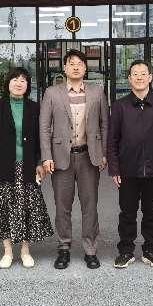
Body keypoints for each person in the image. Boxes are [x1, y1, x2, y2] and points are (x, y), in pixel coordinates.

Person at [39, 49, 109, 270]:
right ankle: (63, 248)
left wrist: (103, 152)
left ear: (86, 67)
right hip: (61, 157)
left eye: (80, 63)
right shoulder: (52, 93)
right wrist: (46, 156)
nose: (76, 67)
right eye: (72, 63)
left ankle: (90, 249)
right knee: (62, 206)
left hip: (89, 156)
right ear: (65, 67)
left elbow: (105, 125)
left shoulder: (97, 92)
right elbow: (44, 127)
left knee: (90, 206)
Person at [106, 60, 153, 270]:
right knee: (127, 212)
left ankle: (151, 250)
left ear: (150, 77)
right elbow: (112, 140)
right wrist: (114, 168)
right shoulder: (119, 106)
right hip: (128, 169)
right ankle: (125, 251)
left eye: (143, 73)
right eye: (135, 73)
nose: (139, 77)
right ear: (129, 79)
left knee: (152, 212)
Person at [0, 68, 54, 268]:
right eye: (15, 79)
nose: (18, 83)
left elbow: (40, 138)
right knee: (4, 207)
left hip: (28, 165)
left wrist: (39, 162)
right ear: (8, 83)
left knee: (27, 207)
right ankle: (7, 251)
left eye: (23, 80)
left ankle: (25, 250)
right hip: (4, 165)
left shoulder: (34, 108)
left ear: (28, 85)